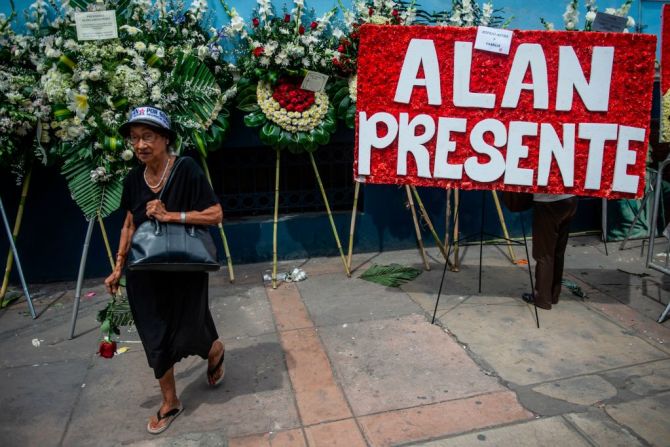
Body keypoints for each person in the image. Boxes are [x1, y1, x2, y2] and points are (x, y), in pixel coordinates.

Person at [104, 106, 225, 435]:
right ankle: (170, 401)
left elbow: (215, 214)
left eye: (148, 137)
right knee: (154, 335)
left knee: (191, 328)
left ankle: (214, 350)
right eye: (135, 139)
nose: (140, 145)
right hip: (143, 270)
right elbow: (129, 223)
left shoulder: (186, 169)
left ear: (165, 139)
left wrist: (171, 216)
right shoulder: (133, 178)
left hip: (184, 268)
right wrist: (118, 268)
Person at [523, 193, 579, 310]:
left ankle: (542, 299)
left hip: (548, 202)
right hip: (570, 199)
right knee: (558, 252)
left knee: (544, 253)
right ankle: (553, 295)